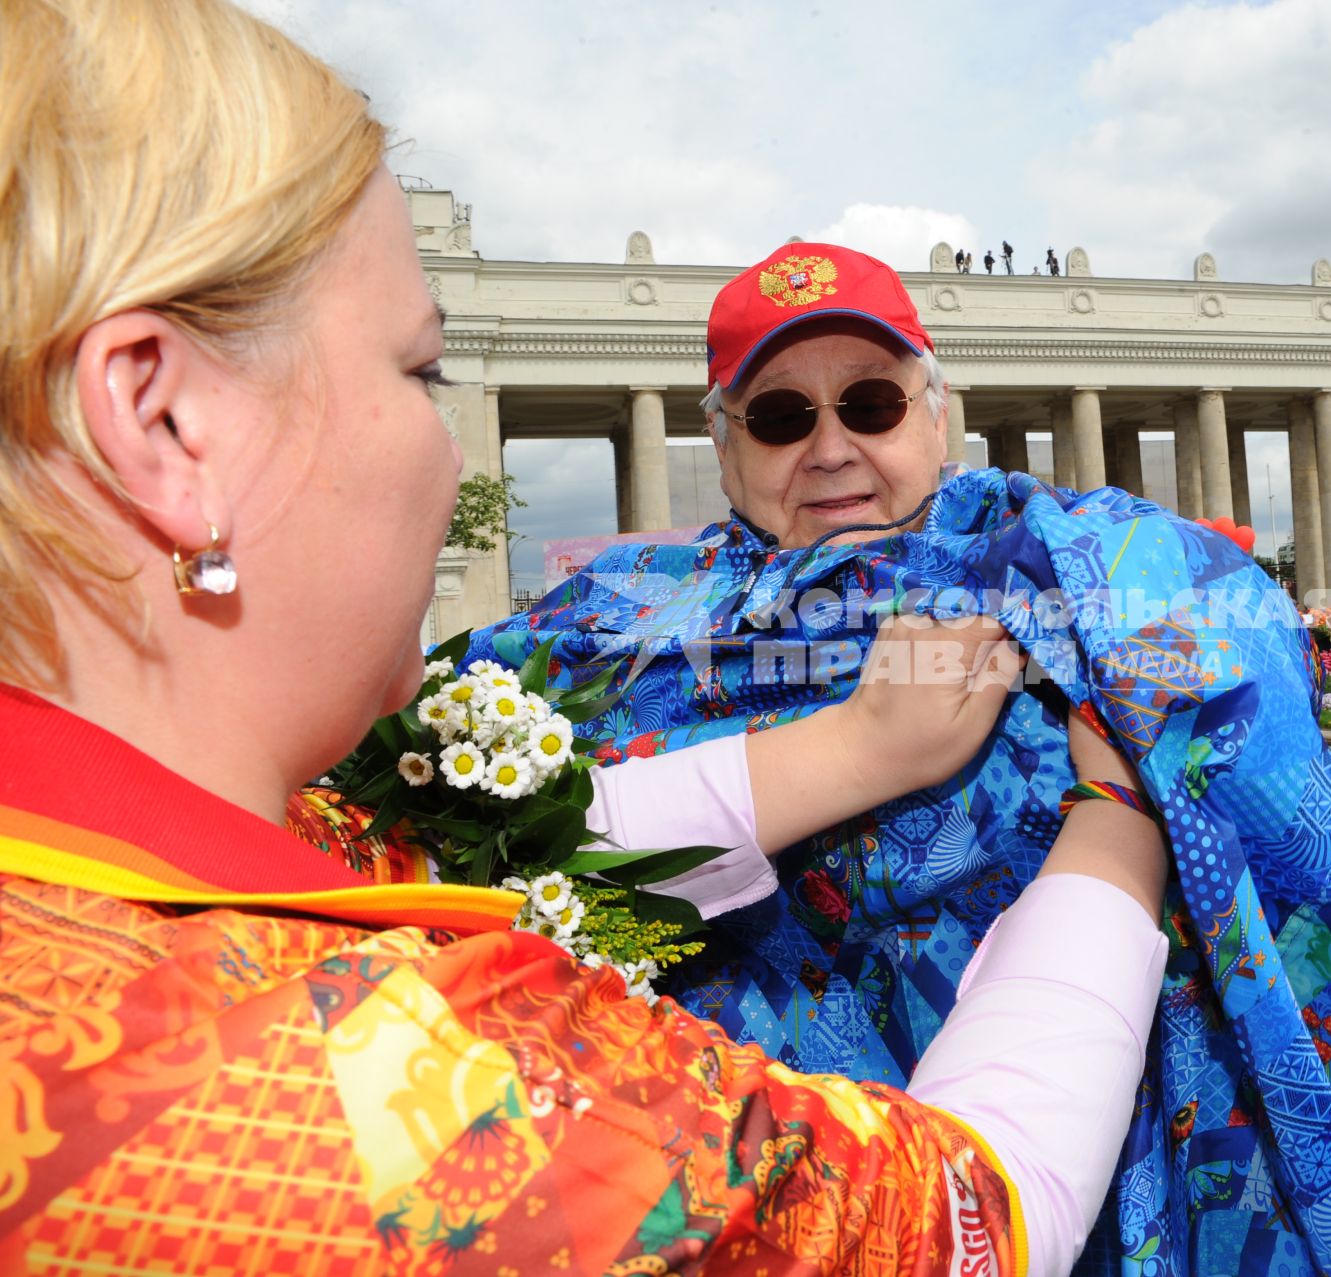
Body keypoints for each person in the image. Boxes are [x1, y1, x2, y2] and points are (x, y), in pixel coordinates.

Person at [0, 4, 1173, 1274]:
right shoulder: (376, 1089)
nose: (457, 457)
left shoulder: (206, 854)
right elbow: (963, 1219)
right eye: (422, 372)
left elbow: (502, 872)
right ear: (163, 424)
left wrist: (852, 753)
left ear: (939, 413)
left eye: (875, 403)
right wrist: (1124, 820)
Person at [466, 246, 1331, 1272]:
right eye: (783, 416)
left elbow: (1226, 645)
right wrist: (853, 750)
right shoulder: (616, 626)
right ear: (726, 445)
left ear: (942, 418)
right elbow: (470, 832)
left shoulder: (1087, 566)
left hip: (1083, 1147)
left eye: (873, 403)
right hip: (758, 1182)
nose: (832, 445)